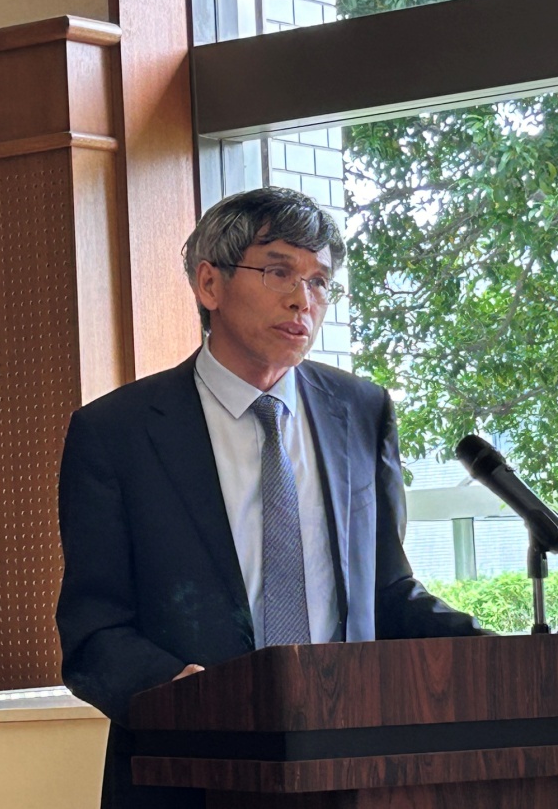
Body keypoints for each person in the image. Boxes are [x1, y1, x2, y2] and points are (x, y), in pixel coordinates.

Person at [55, 187, 487, 809]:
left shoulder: (361, 411)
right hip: (191, 775)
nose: (302, 300)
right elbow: (94, 631)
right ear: (210, 283)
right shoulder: (116, 433)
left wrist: (500, 656)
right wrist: (186, 693)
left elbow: (387, 592)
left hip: (350, 769)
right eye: (279, 272)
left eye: (319, 282)